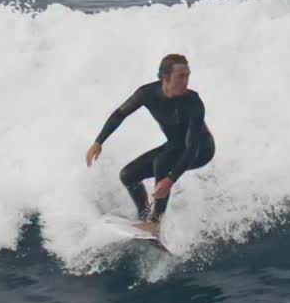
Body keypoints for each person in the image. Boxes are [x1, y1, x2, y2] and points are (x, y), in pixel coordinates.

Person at [86, 54, 215, 234]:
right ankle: (144, 215)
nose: (186, 81)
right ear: (165, 77)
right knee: (128, 176)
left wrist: (170, 180)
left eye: (188, 75)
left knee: (162, 163)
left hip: (201, 150)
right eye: (181, 76)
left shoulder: (193, 102)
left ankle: (155, 222)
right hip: (175, 146)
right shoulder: (147, 93)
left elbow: (191, 148)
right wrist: (98, 142)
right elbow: (120, 114)